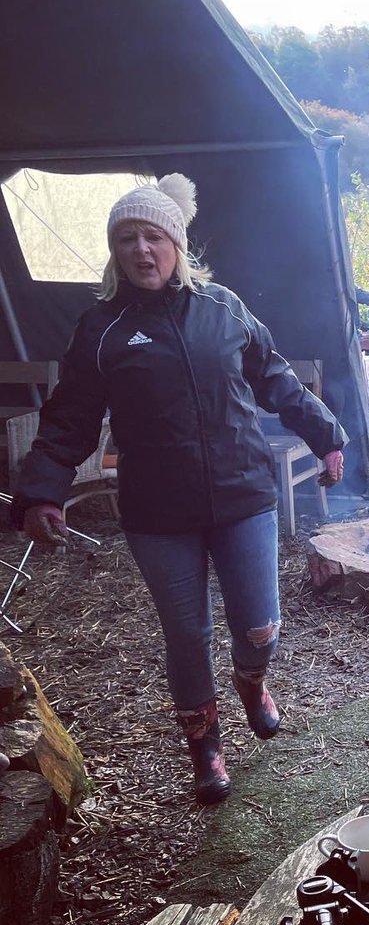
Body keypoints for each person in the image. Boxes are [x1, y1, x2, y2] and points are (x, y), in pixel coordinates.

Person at [11, 175, 345, 805]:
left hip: (243, 495)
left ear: (177, 245)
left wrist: (326, 436)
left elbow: (276, 379)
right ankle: (205, 748)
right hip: (159, 512)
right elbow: (68, 418)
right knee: (187, 636)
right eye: (127, 239)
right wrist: (43, 492)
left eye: (153, 237)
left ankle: (252, 683)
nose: (142, 250)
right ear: (115, 252)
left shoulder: (223, 308)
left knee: (261, 627)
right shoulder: (102, 330)